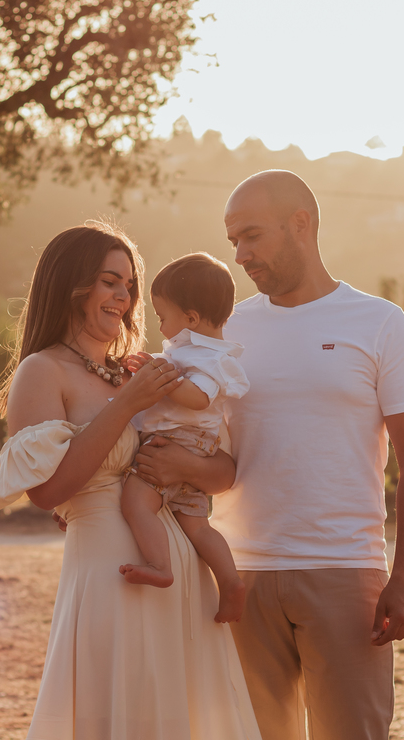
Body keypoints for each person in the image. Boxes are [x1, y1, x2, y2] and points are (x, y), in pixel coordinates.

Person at [136, 170, 404, 740]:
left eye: (252, 236)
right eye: (233, 242)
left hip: (345, 575)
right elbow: (192, 439)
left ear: (301, 224)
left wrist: (403, 577)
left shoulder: (379, 324)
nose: (241, 255)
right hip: (238, 574)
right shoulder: (223, 333)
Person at [0, 223, 262, 740]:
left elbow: (225, 471)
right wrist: (128, 405)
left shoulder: (137, 372)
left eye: (129, 286)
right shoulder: (42, 371)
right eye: (110, 281)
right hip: (113, 577)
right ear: (72, 285)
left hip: (183, 575)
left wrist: (184, 467)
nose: (124, 297)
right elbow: (47, 492)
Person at [118, 252, 250, 624]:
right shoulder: (195, 352)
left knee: (136, 505)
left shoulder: (207, 358)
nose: (161, 327)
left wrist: (162, 380)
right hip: (196, 447)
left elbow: (198, 397)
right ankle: (231, 581)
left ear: (191, 318)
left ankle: (160, 566)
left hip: (177, 441)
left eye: (163, 317)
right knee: (196, 525)